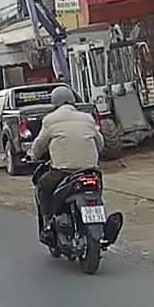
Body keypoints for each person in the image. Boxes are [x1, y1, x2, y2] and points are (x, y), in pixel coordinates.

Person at [29, 85, 103, 241]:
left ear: (54, 103)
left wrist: (32, 156)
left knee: (42, 187)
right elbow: (100, 143)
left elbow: (39, 144)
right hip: (91, 171)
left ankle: (48, 223)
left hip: (63, 172)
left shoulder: (50, 120)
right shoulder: (87, 118)